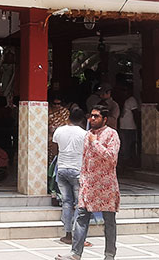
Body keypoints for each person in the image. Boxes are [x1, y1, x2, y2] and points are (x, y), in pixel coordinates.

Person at [56, 104, 120, 260]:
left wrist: (95, 142)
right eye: (91, 115)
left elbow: (111, 157)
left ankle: (109, 255)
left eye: (96, 116)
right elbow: (84, 160)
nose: (92, 119)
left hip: (106, 186)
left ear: (104, 119)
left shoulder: (112, 135)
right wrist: (82, 179)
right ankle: (75, 253)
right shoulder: (87, 135)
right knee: (81, 217)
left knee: (109, 221)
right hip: (88, 185)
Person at [52, 108, 87, 245]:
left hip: (61, 169)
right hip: (77, 170)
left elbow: (55, 150)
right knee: (79, 203)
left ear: (69, 117)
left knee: (66, 202)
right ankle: (78, 236)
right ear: (81, 120)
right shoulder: (84, 134)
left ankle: (68, 235)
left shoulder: (59, 131)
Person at [116, 81, 140, 169]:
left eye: (125, 90)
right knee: (124, 145)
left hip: (130, 127)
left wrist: (138, 125)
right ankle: (125, 163)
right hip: (124, 127)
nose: (123, 92)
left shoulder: (132, 100)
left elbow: (135, 114)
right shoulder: (125, 101)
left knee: (128, 146)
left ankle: (128, 163)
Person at [48, 92, 70, 164]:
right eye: (55, 104)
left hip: (62, 137)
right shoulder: (47, 111)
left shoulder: (65, 112)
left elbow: (68, 124)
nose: (57, 106)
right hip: (50, 138)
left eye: (59, 104)